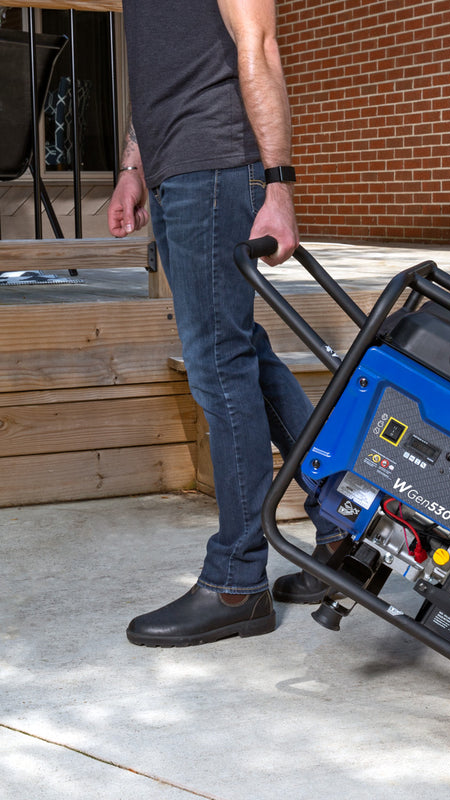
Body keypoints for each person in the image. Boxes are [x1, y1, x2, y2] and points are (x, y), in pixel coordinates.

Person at [109, 0, 342, 647]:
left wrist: (278, 187)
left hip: (214, 165)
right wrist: (135, 169)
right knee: (242, 353)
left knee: (219, 364)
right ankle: (344, 526)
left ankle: (237, 583)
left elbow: (259, 44)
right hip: (178, 170)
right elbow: (163, 67)